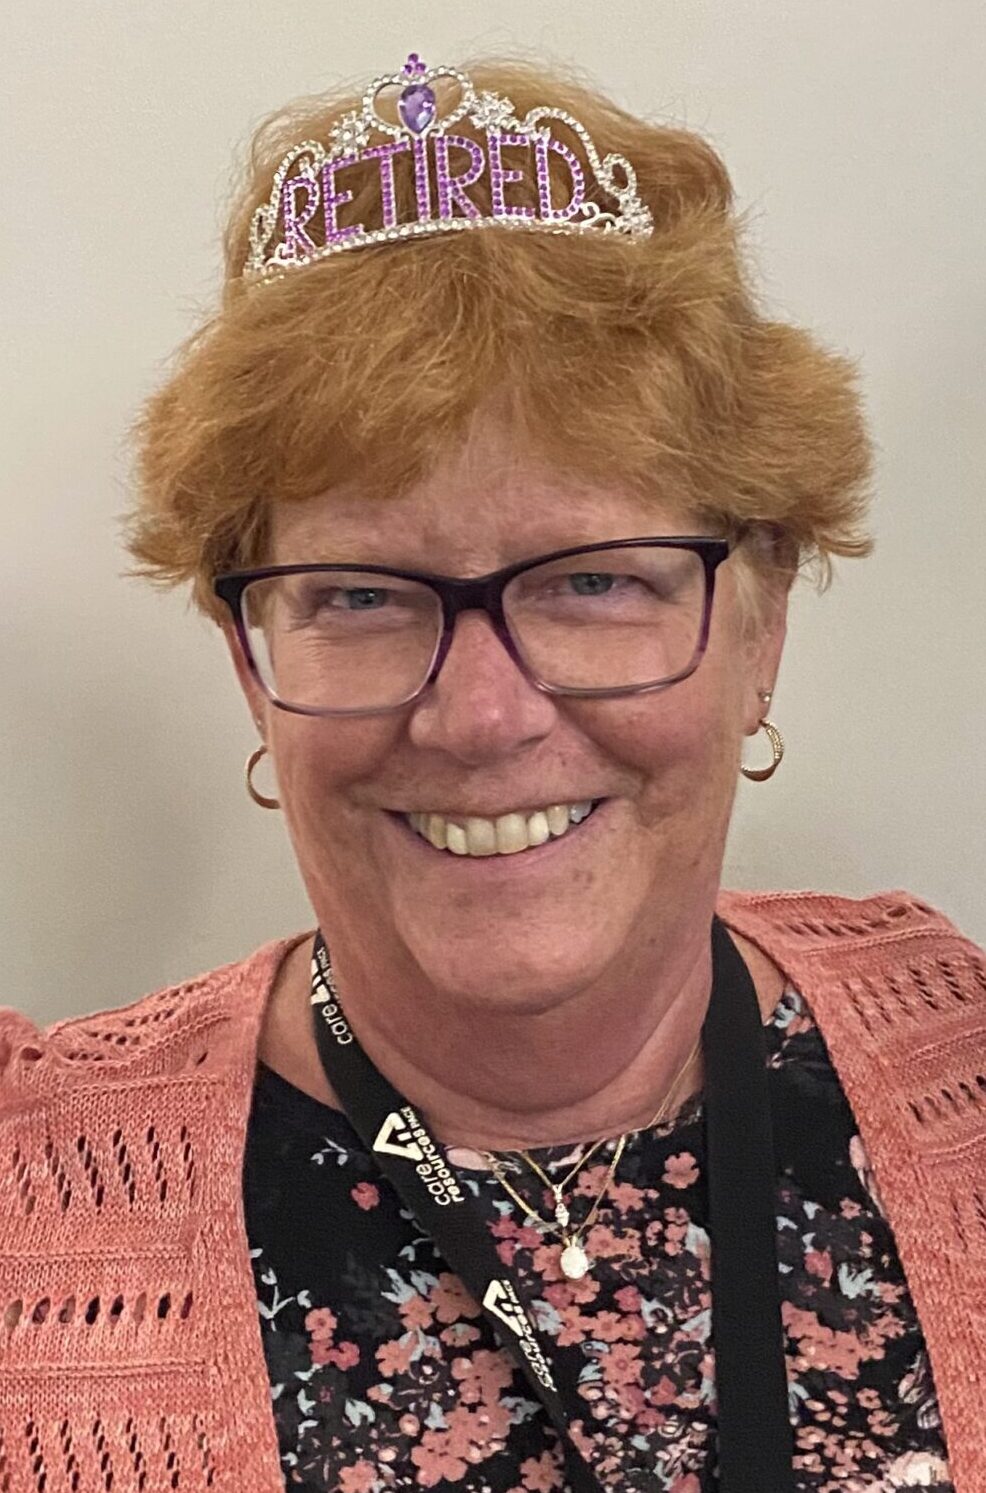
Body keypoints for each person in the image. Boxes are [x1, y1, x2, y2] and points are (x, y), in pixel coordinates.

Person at [1, 50, 983, 1493]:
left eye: (591, 581)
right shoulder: (31, 1204)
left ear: (760, 623)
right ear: (248, 664)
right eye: (359, 595)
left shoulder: (960, 1051)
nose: (478, 716)